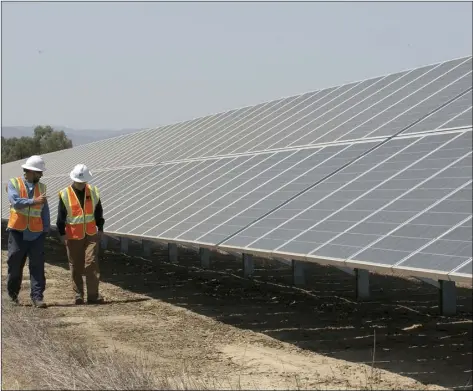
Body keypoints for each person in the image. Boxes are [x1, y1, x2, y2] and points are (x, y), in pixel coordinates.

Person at [56, 164, 105, 305]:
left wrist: (100, 227)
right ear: (74, 179)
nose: (82, 184)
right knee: (76, 266)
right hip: (73, 235)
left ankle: (93, 296)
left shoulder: (94, 191)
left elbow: (98, 211)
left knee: (92, 264)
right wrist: (62, 233)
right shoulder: (65, 194)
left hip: (91, 234)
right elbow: (61, 216)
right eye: (79, 182)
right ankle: (78, 295)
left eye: (84, 181)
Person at [6, 155, 50, 308]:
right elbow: (16, 203)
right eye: (39, 172)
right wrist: (33, 201)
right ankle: (12, 296)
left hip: (36, 234)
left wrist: (46, 228)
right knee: (15, 265)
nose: (41, 175)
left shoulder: (42, 187)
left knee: (37, 266)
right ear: (30, 171)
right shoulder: (14, 183)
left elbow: (44, 210)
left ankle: (37, 297)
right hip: (18, 232)